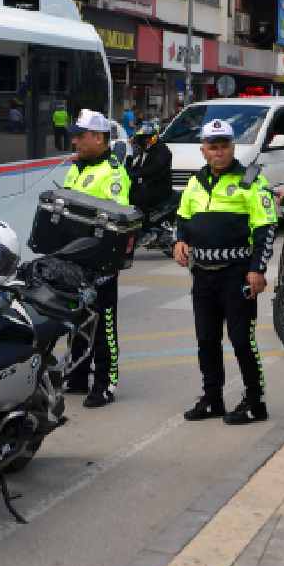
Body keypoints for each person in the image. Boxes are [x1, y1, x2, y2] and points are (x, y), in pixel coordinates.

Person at [174, 119, 278, 425]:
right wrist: (180, 240)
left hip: (236, 275)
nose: (219, 152)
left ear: (232, 148)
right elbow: (183, 218)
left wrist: (257, 270)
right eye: (213, 147)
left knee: (242, 340)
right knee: (206, 340)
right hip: (203, 275)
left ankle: (255, 402)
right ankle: (212, 398)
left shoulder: (249, 179)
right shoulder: (195, 182)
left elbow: (266, 227)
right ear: (203, 150)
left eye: (224, 146)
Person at [61, 109, 132, 408]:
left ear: (99, 137)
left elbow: (119, 220)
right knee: (76, 319)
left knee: (103, 324)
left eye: (80, 135)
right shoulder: (77, 168)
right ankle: (77, 377)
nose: (74, 140)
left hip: (100, 261)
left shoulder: (113, 173)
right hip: (73, 259)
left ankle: (105, 383)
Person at [127, 122, 173, 215]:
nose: (146, 141)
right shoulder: (143, 151)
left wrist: (133, 174)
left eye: (148, 138)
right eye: (143, 138)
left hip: (158, 188)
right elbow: (134, 167)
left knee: (136, 197)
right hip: (146, 185)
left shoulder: (162, 151)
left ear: (154, 137)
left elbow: (151, 170)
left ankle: (143, 224)